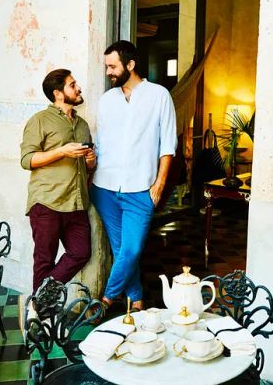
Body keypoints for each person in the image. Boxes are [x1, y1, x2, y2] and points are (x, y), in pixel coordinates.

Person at [91, 40, 177, 312]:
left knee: (131, 249)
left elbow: (168, 144)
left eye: (113, 66)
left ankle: (106, 300)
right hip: (104, 187)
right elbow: (102, 143)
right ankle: (137, 300)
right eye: (107, 67)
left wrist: (160, 183)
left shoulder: (159, 95)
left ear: (130, 65)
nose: (108, 72)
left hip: (141, 188)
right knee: (120, 249)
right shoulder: (107, 101)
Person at [20, 69, 96, 293]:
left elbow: (88, 167)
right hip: (47, 202)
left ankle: (39, 298)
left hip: (76, 203)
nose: (79, 88)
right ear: (58, 93)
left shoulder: (82, 125)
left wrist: (90, 161)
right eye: (73, 85)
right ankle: (40, 317)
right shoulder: (39, 121)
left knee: (81, 252)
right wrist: (62, 151)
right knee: (44, 261)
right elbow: (27, 160)